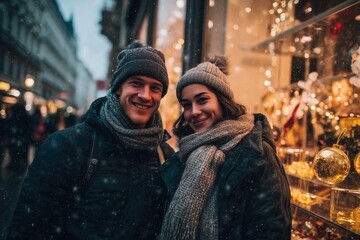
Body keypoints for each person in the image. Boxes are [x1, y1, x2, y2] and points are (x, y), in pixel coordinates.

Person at [6, 42, 174, 239]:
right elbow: (27, 230)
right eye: (136, 83)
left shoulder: (164, 156)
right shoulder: (68, 146)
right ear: (118, 88)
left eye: (155, 88)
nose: (146, 95)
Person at [159, 56, 291, 239]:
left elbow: (271, 229)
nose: (194, 112)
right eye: (187, 105)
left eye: (202, 100)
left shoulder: (255, 153)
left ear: (222, 101)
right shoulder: (185, 155)